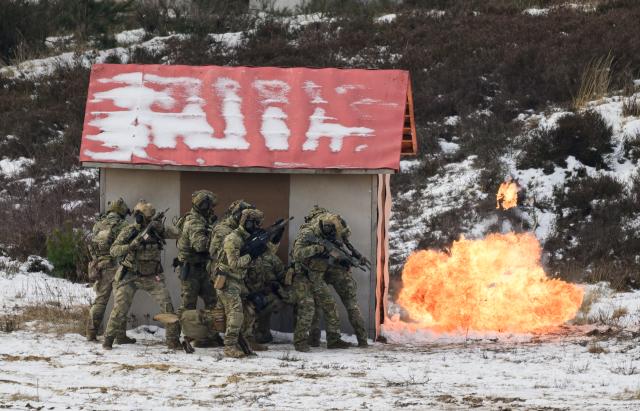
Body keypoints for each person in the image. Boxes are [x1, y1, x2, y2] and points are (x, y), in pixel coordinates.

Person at [102, 200, 181, 350]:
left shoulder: (157, 229)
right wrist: (130, 246)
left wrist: (167, 227)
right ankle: (108, 340)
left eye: (151, 218)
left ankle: (173, 341)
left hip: (152, 276)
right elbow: (114, 250)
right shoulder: (129, 231)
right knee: (120, 309)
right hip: (130, 275)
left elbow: (178, 233)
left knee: (167, 305)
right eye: (147, 218)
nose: (149, 220)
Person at [306, 208, 369, 348]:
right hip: (336, 269)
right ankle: (362, 340)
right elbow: (347, 243)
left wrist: (353, 257)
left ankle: (313, 339)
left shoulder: (311, 227)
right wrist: (355, 256)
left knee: (316, 304)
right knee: (351, 304)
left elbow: (344, 247)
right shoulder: (338, 223)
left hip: (318, 270)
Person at [292, 214, 351, 349]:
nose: (332, 232)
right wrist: (317, 249)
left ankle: (334, 340)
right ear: (324, 226)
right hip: (303, 276)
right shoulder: (308, 233)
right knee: (308, 307)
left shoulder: (330, 238)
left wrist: (342, 261)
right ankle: (300, 342)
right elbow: (297, 253)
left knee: (330, 305)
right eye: (330, 229)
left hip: (317, 277)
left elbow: (332, 255)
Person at [213, 208, 265, 358]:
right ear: (247, 223)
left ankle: (241, 342)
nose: (257, 226)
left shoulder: (247, 238)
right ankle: (229, 346)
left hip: (238, 281)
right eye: (255, 223)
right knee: (235, 314)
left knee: (249, 310)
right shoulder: (233, 239)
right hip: (228, 280)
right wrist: (250, 256)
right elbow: (234, 263)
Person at [85, 198, 134, 344]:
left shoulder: (98, 224)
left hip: (102, 266)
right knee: (120, 302)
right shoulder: (123, 224)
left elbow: (93, 245)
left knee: (100, 301)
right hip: (118, 267)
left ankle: (91, 333)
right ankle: (120, 336)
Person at [176, 190, 220, 347]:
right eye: (209, 206)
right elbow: (200, 245)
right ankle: (180, 337)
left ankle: (210, 336)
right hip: (192, 270)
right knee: (188, 306)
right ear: (203, 205)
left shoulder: (203, 219)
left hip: (203, 269)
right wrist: (216, 236)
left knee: (213, 303)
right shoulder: (194, 221)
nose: (211, 209)